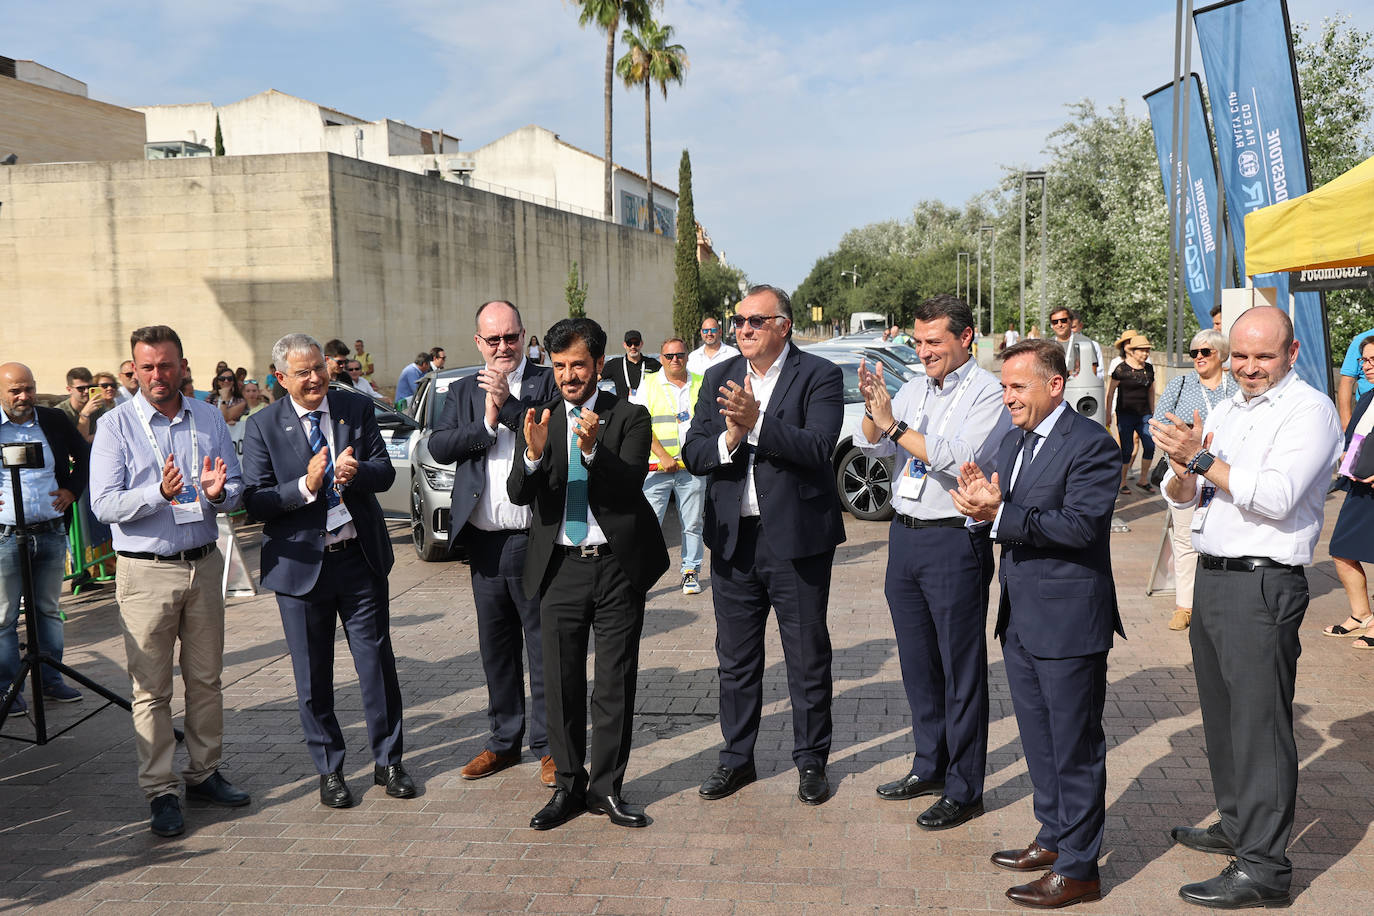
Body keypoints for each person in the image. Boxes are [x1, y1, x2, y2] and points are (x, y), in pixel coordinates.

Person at [1152, 306, 1342, 909]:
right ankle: (1237, 824)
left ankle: (1263, 868)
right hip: (1214, 575)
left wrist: (1200, 460)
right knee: (1223, 718)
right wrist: (1183, 471)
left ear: (1291, 353)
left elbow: (1279, 497)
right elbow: (1186, 493)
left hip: (1263, 582)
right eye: (1239, 355)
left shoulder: (1309, 410)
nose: (1249, 367)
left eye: (1264, 355)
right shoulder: (1228, 408)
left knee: (1259, 727)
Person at [949, 338, 1123, 909]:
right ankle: (1053, 837)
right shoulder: (1014, 438)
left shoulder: (1091, 444)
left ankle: (1079, 869)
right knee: (1040, 742)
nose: (1008, 397)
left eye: (1018, 386)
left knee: (1074, 746)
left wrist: (1000, 512)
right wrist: (981, 509)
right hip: (1021, 617)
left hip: (1069, 621)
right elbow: (1006, 513)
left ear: (1055, 384)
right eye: (1003, 386)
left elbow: (1080, 526)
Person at [681, 284, 846, 807]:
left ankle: (811, 760)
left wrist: (758, 424)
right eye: (739, 321)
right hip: (734, 540)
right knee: (735, 659)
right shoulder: (719, 376)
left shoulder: (818, 375)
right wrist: (729, 439)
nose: (743, 329)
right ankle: (736, 759)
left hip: (795, 541)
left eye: (755, 320)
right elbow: (694, 453)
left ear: (783, 326)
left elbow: (818, 448)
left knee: (806, 657)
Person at [855, 295, 1012, 830]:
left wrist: (894, 427)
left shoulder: (988, 392)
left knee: (959, 669)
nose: (923, 352)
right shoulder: (915, 386)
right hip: (905, 536)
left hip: (953, 540)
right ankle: (929, 765)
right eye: (918, 342)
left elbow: (958, 456)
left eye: (934, 342)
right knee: (918, 664)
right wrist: (874, 414)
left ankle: (964, 787)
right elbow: (875, 450)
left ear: (966, 338)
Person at [241, 334, 415, 808]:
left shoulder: (353, 408)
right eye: (303, 373)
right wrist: (306, 484)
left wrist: (357, 473)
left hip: (359, 560)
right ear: (281, 378)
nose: (316, 378)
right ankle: (330, 770)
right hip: (300, 569)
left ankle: (389, 762)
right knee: (313, 676)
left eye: (319, 367)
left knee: (377, 666)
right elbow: (255, 500)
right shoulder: (262, 426)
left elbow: (385, 471)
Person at [508, 317, 669, 830]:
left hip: (616, 567)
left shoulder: (629, 416)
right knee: (560, 684)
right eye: (559, 366)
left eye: (578, 365)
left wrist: (594, 448)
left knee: (614, 684)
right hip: (560, 568)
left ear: (599, 364)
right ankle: (568, 787)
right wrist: (533, 455)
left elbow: (628, 485)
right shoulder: (541, 417)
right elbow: (518, 493)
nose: (568, 376)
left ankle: (607, 790)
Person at [90, 325, 249, 838]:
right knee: (151, 689)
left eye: (166, 365)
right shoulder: (116, 425)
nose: (157, 375)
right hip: (145, 571)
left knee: (206, 679)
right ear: (135, 370)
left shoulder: (207, 416)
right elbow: (103, 504)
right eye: (147, 367)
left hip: (203, 563)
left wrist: (220, 494)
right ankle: (160, 789)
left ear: (182, 366)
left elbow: (236, 487)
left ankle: (204, 772)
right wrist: (157, 494)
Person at [427, 300, 557, 788]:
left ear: (524, 335)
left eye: (511, 337)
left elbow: (557, 441)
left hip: (533, 540)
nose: (504, 347)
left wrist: (508, 405)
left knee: (542, 648)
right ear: (478, 342)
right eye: (493, 339)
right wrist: (484, 422)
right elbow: (439, 445)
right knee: (496, 650)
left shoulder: (547, 382)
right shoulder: (463, 389)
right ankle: (503, 741)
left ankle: (549, 747)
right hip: (483, 544)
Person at [0, 362, 89, 715]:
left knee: (48, 610)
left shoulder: (52, 419)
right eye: (15, 390)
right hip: (5, 537)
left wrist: (72, 490)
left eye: (29, 388)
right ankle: (7, 690)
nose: (24, 396)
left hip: (50, 532)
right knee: (4, 617)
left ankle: (51, 681)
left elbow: (84, 455)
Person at [1154, 330, 1235, 631]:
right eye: (1194, 353)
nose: (1198, 357)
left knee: (1227, 532)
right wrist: (1182, 438)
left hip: (1225, 468)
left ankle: (1223, 601)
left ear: (1221, 354)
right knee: (1185, 535)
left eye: (1205, 352)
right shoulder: (1181, 384)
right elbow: (1158, 422)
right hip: (1185, 469)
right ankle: (1184, 605)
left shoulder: (1236, 386)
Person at [639, 337, 708, 596]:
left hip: (691, 468)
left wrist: (698, 455)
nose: (675, 360)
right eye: (669, 356)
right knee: (649, 526)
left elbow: (709, 423)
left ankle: (690, 571)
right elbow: (640, 425)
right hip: (657, 467)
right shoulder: (648, 384)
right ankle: (643, 578)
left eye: (679, 355)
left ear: (687, 356)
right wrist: (663, 456)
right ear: (661, 359)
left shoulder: (701, 382)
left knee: (692, 524)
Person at [1323, 335, 1374, 646]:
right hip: (1360, 487)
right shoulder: (1368, 398)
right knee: (1341, 549)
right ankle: (1360, 615)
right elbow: (1357, 436)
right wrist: (1348, 462)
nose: (1367, 366)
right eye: (1364, 360)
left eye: (1373, 360)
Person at [1105, 334, 1157, 493]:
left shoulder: (1149, 369)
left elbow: (1151, 391)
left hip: (1144, 414)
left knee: (1150, 445)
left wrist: (1153, 412)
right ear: (1132, 351)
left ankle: (1143, 480)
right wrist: (1108, 414)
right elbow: (1110, 393)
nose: (1145, 354)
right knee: (1126, 449)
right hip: (1125, 414)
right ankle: (1122, 482)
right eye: (1141, 350)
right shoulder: (1121, 369)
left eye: (1147, 350)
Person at [601, 330, 661, 400]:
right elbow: (596, 379)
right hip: (623, 406)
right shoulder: (614, 364)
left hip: (647, 405)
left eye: (636, 343)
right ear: (624, 345)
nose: (633, 347)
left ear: (641, 344)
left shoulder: (653, 363)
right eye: (629, 343)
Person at [1336, 325, 1374, 430]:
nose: (1367, 366)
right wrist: (1346, 424)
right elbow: (1347, 381)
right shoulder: (1362, 340)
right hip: (1366, 412)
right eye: (1365, 360)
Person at [59, 366, 105, 444]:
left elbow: (107, 435)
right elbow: (78, 443)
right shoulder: (60, 412)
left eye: (90, 387)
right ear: (69, 389)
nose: (86, 391)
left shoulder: (98, 407)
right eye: (80, 388)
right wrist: (85, 415)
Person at [1047, 308, 1082, 377]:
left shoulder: (1084, 342)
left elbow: (1091, 373)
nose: (1059, 324)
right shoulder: (1047, 345)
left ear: (1071, 321)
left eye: (1063, 320)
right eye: (1055, 322)